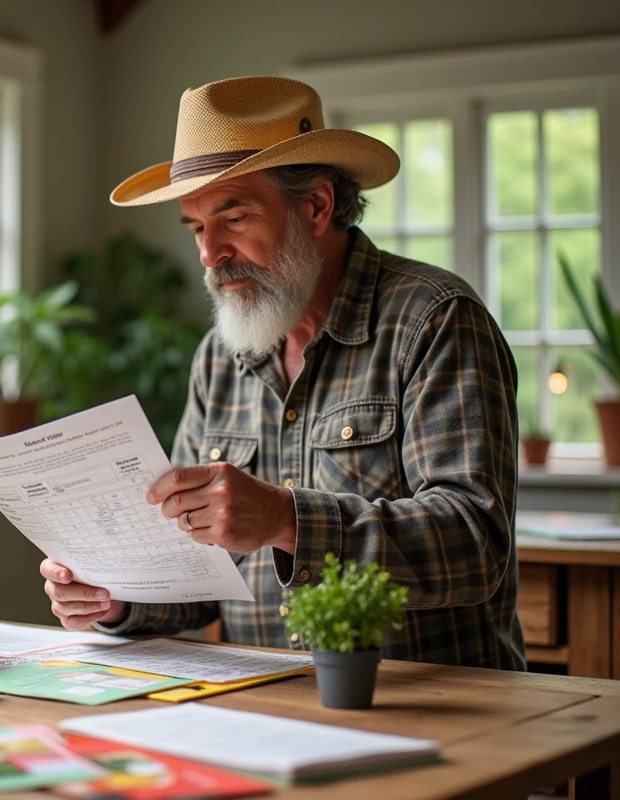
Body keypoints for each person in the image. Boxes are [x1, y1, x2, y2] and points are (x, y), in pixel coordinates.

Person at [40, 76, 525, 670]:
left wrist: (283, 518)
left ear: (317, 207)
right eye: (196, 227)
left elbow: (475, 544)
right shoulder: (219, 357)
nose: (208, 253)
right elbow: (199, 576)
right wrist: (113, 599)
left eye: (234, 217)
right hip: (265, 714)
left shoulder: (434, 320)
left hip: (436, 708)